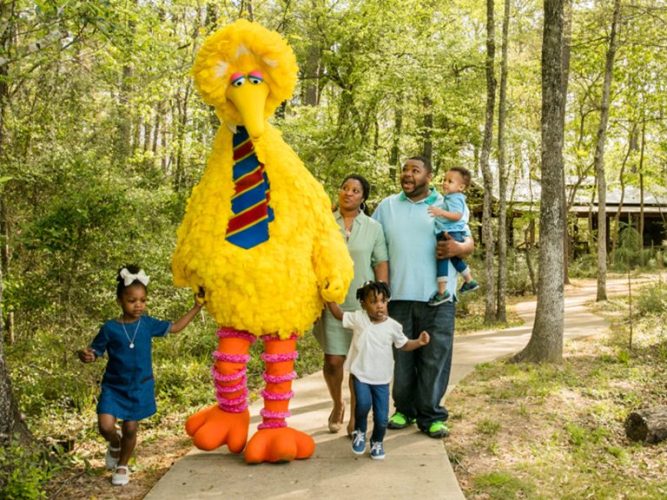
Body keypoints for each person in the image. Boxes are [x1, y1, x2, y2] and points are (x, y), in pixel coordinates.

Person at [372, 156, 474, 439]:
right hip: (397, 298)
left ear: (428, 177)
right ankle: (404, 409)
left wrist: (458, 248)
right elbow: (372, 243)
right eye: (405, 170)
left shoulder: (448, 203)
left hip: (438, 298)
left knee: (435, 358)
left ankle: (432, 416)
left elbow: (469, 242)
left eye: (415, 171)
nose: (408, 174)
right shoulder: (387, 206)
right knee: (402, 359)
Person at [78, 265, 204, 486]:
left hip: (139, 386)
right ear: (120, 300)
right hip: (114, 387)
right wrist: (87, 355)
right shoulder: (110, 328)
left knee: (131, 427)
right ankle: (114, 443)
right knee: (106, 426)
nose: (138, 305)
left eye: (143, 300)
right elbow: (95, 350)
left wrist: (196, 307)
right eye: (132, 300)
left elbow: (175, 327)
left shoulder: (147, 324)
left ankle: (122, 466)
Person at [313, 174, 388, 435]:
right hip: (330, 300)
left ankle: (357, 416)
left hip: (362, 303)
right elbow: (311, 258)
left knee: (359, 362)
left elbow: (380, 262)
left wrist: (382, 299)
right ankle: (337, 404)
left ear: (363, 197)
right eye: (345, 188)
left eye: (355, 190)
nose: (348, 193)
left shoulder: (372, 227)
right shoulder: (323, 223)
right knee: (334, 361)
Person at [327, 281, 429, 460]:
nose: (379, 305)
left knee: (382, 418)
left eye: (383, 301)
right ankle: (360, 432)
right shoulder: (359, 319)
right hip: (360, 375)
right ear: (363, 304)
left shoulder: (393, 326)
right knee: (363, 405)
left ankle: (377, 441)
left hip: (381, 379)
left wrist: (418, 342)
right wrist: (329, 297)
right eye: (373, 302)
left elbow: (403, 344)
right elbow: (338, 314)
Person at [427, 166, 479, 306]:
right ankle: (469, 280)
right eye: (444, 180)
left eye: (450, 181)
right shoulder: (452, 197)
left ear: (461, 187)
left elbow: (457, 215)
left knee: (442, 257)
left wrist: (440, 212)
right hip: (454, 232)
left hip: (451, 232)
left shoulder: (455, 198)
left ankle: (442, 292)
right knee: (454, 259)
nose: (445, 183)